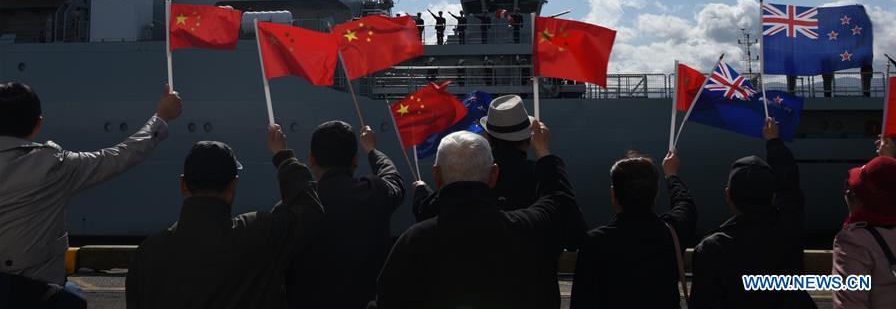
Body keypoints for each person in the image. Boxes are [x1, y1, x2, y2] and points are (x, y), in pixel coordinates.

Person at [0, 82, 182, 308]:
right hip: (37, 294)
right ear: (38, 124)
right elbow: (120, 156)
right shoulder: (53, 165)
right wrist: (161, 118)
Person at [370, 123, 581, 309]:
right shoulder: (528, 229)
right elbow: (558, 201)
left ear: (437, 176)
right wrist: (544, 154)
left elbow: (387, 301)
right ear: (493, 175)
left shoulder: (413, 242)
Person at [412, 95, 585, 308]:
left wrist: (421, 191)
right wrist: (545, 157)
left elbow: (427, 212)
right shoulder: (540, 179)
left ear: (488, 137)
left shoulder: (474, 179)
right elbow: (574, 232)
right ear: (529, 137)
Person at [126, 126, 324, 309]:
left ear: (183, 185)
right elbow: (309, 210)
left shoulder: (148, 254)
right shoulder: (260, 233)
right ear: (233, 185)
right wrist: (284, 158)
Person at [690, 117, 814, 309]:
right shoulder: (788, 227)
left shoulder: (711, 248)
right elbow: (789, 187)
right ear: (771, 194)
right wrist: (774, 142)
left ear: (728, 196)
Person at [281, 122, 404, 309]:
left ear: (311, 159)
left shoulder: (298, 205)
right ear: (355, 159)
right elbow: (393, 178)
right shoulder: (374, 192)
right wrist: (372, 150)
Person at [571, 149, 697, 308]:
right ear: (655, 193)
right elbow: (685, 204)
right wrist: (671, 175)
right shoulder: (672, 233)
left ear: (613, 194)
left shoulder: (595, 242)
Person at [833, 136, 896, 309]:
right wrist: (886, 164)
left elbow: (849, 304)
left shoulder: (854, 241)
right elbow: (890, 193)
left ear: (859, 200)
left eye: (852, 190)